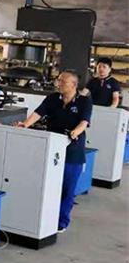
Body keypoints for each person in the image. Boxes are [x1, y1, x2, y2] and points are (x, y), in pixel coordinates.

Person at [16, 70, 92, 232]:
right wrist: (26, 124)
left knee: (67, 189)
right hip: (52, 148)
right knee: (48, 185)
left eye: (63, 81)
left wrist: (76, 132)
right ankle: (45, 217)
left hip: (72, 150)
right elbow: (39, 112)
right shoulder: (52, 98)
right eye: (58, 80)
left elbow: (84, 121)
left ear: (74, 85)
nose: (59, 84)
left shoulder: (84, 102)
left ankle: (61, 221)